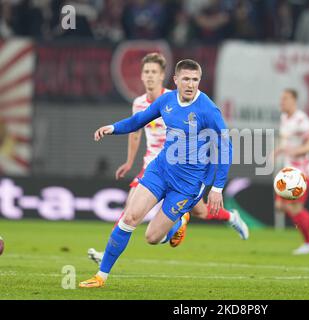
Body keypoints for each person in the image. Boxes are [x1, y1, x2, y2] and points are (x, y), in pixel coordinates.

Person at [80, 59, 233, 288]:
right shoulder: (167, 101)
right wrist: (112, 128)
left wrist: (217, 188)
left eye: (195, 80)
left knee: (152, 238)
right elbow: (138, 121)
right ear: (176, 80)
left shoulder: (208, 109)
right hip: (160, 170)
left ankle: (179, 221)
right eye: (186, 79)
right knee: (130, 217)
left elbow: (226, 147)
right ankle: (101, 276)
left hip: (188, 185)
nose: (191, 84)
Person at [273, 89, 309, 255]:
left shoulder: (301, 120)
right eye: (281, 99)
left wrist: (297, 151)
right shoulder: (285, 118)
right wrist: (278, 151)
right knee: (280, 205)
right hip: (288, 171)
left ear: (294, 100)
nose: (281, 102)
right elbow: (288, 142)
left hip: (300, 172)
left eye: (285, 99)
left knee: (294, 207)